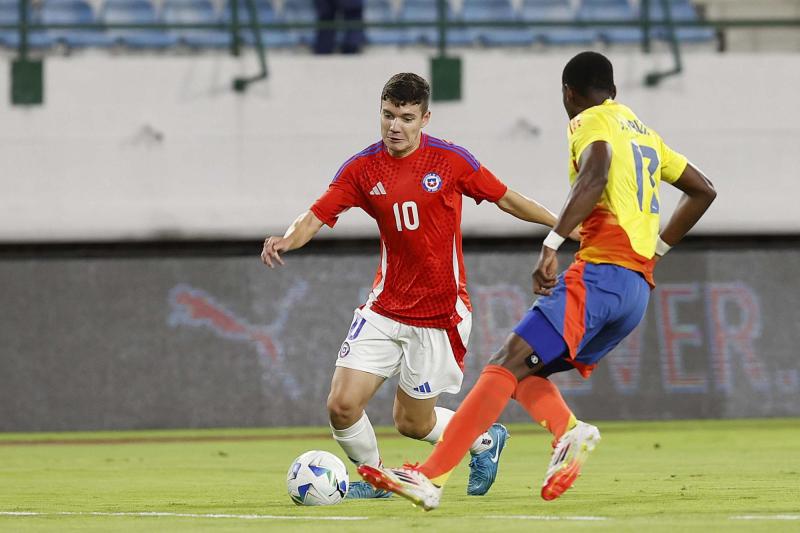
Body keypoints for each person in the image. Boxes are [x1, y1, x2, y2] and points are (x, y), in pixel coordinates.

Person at [357, 51, 717, 510]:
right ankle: (568, 431)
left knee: (502, 363)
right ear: (615, 90)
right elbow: (703, 189)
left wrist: (552, 242)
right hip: (634, 292)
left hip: (600, 276)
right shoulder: (643, 132)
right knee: (524, 371)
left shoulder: (590, 121)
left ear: (568, 94)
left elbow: (597, 169)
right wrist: (657, 252)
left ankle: (429, 477)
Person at [262, 72, 573, 499]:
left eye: (406, 118)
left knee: (412, 424)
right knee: (341, 405)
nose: (395, 126)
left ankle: (485, 440)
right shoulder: (362, 168)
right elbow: (315, 215)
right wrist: (286, 239)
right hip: (385, 308)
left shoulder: (450, 161)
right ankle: (377, 480)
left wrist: (560, 225)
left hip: (439, 316)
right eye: (388, 115)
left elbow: (507, 198)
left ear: (424, 118)